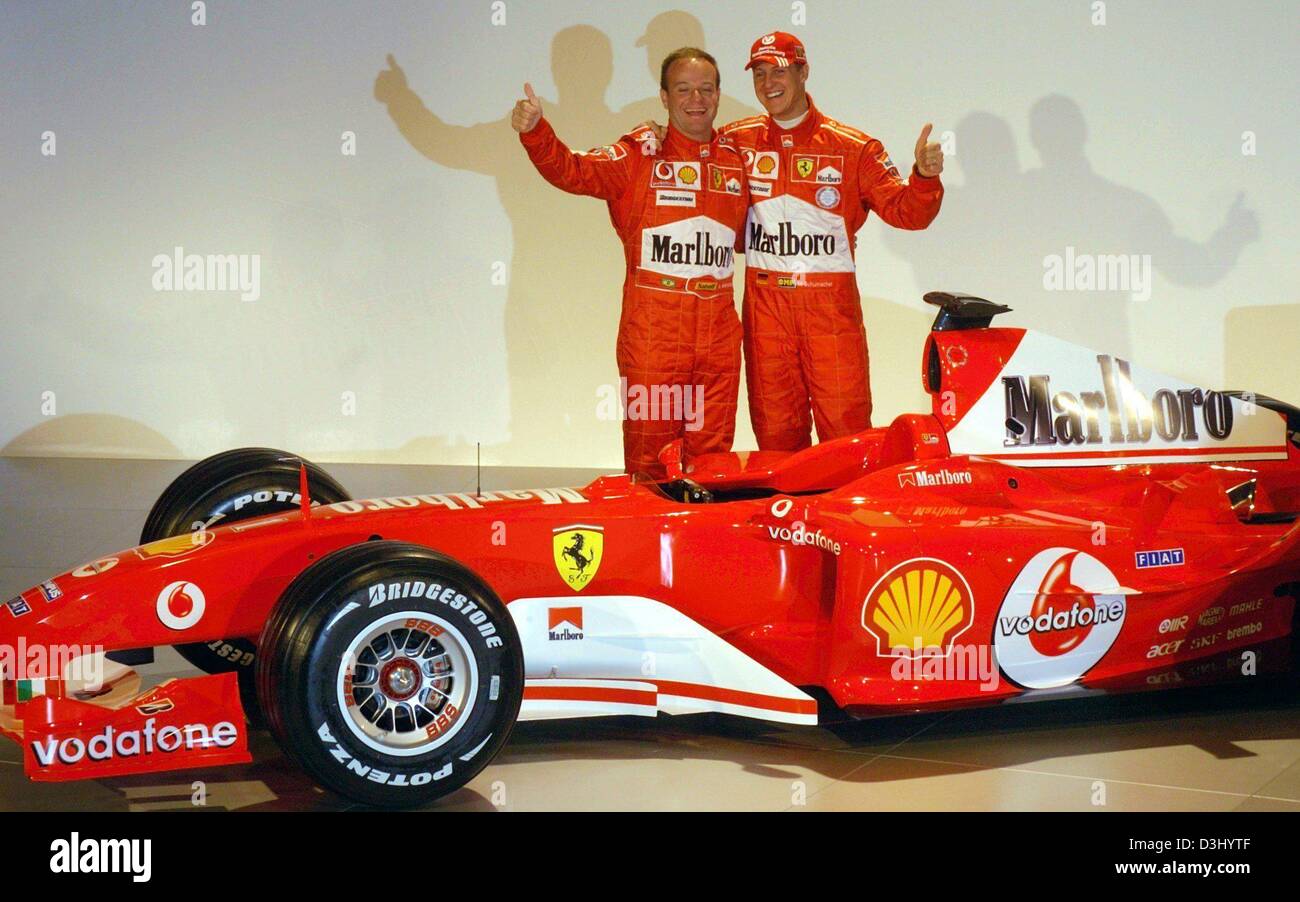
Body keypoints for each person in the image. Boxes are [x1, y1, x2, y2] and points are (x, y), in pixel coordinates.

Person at [512, 49, 751, 479]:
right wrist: (536, 133)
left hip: (717, 340)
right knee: (649, 463)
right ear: (663, 96)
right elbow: (574, 171)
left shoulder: (737, 160)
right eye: (683, 89)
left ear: (719, 95)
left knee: (712, 465)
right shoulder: (639, 154)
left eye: (706, 89)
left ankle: (700, 546)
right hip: (655, 339)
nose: (695, 99)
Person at [721, 32, 946, 451]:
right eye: (760, 74)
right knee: (777, 445)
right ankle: (784, 519)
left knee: (847, 444)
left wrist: (924, 177)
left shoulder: (853, 148)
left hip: (831, 319)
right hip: (766, 317)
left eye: (780, 71)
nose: (769, 83)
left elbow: (908, 213)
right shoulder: (735, 141)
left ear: (804, 72)